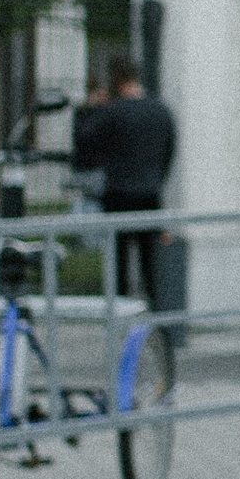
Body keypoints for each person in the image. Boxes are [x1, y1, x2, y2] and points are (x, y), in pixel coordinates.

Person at [69, 62, 175, 301]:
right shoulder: (160, 111)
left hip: (118, 194)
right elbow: (169, 151)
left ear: (116, 81)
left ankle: (121, 316)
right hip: (150, 194)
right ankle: (158, 319)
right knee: (151, 265)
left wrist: (89, 109)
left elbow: (84, 144)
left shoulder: (113, 112)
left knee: (118, 265)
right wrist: (157, 179)